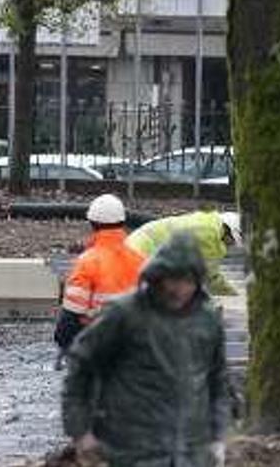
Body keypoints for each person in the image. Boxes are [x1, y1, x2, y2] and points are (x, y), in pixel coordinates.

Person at [62, 233, 231, 467]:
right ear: (158, 277)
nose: (180, 289)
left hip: (190, 450)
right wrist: (80, 431)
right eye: (173, 280)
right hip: (132, 449)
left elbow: (218, 380)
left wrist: (218, 436)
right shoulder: (125, 314)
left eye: (188, 281)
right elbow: (81, 364)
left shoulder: (207, 320)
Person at [53, 194, 146, 361]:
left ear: (92, 224)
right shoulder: (141, 260)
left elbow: (69, 320)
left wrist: (64, 346)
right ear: (123, 223)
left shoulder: (87, 262)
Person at [126, 210, 242, 295]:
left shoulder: (208, 223)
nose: (231, 245)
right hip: (143, 249)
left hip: (140, 243)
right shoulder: (208, 235)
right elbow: (211, 278)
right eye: (232, 241)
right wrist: (235, 296)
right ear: (228, 231)